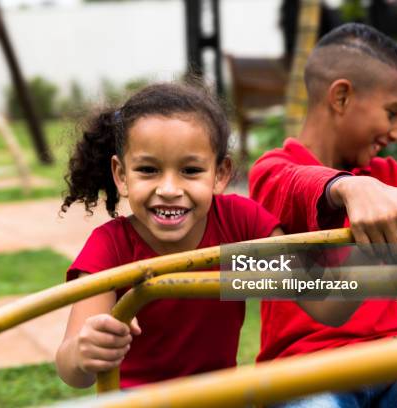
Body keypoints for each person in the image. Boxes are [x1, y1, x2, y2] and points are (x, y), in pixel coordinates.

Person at [249, 23, 397, 407]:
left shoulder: (390, 178)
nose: (396, 132)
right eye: (392, 112)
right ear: (342, 97)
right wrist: (347, 187)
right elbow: (292, 184)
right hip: (304, 364)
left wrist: (368, 184)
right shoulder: (272, 171)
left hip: (395, 354)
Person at [54, 82, 286, 389]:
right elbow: (73, 371)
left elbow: (318, 289)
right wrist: (84, 352)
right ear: (122, 175)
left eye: (190, 170)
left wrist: (341, 189)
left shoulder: (240, 223)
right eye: (148, 170)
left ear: (220, 174)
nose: (168, 190)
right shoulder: (110, 247)